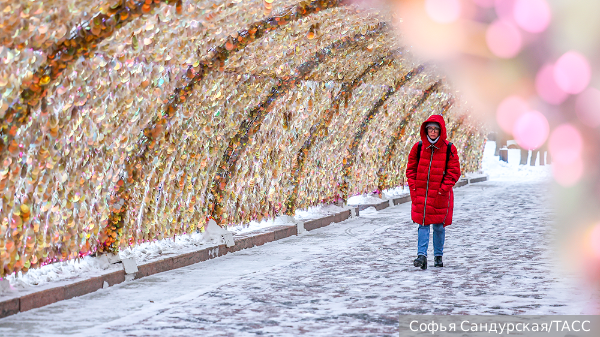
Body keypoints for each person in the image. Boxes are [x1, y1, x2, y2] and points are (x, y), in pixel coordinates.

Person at [406, 115, 461, 269]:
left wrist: (442, 189)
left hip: (440, 195)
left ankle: (438, 256)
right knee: (422, 224)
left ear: (440, 131)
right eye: (430, 128)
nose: (432, 132)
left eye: (435, 129)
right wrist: (414, 187)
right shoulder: (418, 147)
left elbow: (454, 172)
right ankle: (421, 256)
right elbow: (410, 170)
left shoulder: (449, 148)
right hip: (421, 194)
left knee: (438, 226)